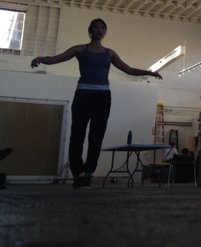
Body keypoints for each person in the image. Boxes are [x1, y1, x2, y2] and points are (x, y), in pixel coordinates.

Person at [30, 18, 162, 189]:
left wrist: (149, 72)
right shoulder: (80, 49)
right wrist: (41, 59)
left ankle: (88, 174)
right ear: (90, 30)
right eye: (96, 27)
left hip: (103, 96)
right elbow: (58, 58)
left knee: (96, 137)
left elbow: (128, 69)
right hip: (83, 95)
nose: (99, 30)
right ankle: (77, 173)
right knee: (77, 136)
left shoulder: (110, 53)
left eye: (102, 28)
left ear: (105, 32)